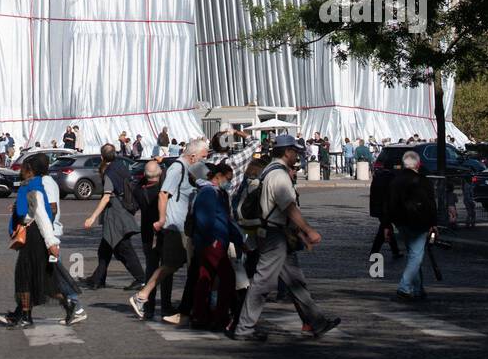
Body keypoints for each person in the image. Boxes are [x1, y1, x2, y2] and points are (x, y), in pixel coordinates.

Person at [230, 134, 340, 342]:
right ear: (287, 151)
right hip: (275, 236)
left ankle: (316, 322)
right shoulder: (278, 176)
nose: (297, 155)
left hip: (276, 233)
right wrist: (308, 230)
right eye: (295, 151)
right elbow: (288, 207)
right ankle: (243, 329)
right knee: (262, 284)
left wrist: (299, 234)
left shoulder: (270, 171)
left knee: (296, 282)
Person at [128, 136, 209, 319]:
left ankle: (185, 308)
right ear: (194, 156)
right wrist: (163, 219)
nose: (205, 158)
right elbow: (164, 194)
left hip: (184, 226)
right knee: (171, 265)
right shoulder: (177, 168)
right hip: (175, 226)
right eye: (204, 156)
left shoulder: (189, 167)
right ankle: (143, 296)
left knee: (185, 266)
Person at [0, 159, 59, 329]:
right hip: (34, 237)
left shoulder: (33, 189)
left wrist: (51, 242)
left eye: (23, 167)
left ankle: (26, 316)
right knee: (33, 276)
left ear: (29, 170)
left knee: (26, 276)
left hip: (33, 238)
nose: (21, 170)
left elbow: (41, 216)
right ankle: (22, 314)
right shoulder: (32, 186)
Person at [32, 153, 86, 325]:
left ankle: (76, 307)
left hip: (50, 235)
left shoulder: (47, 183)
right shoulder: (46, 182)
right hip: (48, 234)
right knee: (52, 273)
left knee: (56, 274)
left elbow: (52, 208)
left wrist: (46, 232)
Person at [84, 144, 145, 288]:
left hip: (116, 214)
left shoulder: (109, 173)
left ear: (102, 157)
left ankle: (141, 278)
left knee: (123, 248)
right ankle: (98, 279)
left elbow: (106, 197)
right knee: (105, 249)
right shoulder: (121, 166)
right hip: (123, 210)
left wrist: (92, 217)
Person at [191, 161, 243, 330]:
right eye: (225, 178)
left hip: (212, 241)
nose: (227, 182)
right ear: (216, 177)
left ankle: (201, 315)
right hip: (213, 242)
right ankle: (219, 316)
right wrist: (212, 239)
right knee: (227, 278)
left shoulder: (214, 192)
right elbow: (206, 219)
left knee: (206, 278)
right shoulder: (209, 192)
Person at [383, 151, 438, 301]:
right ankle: (405, 287)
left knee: (413, 254)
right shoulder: (423, 181)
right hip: (420, 222)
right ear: (418, 164)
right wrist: (434, 223)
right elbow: (431, 204)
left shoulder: (395, 181)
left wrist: (387, 225)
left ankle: (418, 288)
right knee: (416, 256)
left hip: (401, 222)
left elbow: (388, 205)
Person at [134, 159, 165, 318]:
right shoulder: (162, 188)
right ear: (159, 174)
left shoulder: (140, 190)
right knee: (166, 270)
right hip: (163, 232)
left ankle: (149, 307)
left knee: (151, 269)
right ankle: (165, 306)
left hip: (147, 233)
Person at [368, 162, 401, 259]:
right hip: (386, 207)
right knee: (385, 228)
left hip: (378, 207)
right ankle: (376, 252)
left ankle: (394, 250)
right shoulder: (391, 177)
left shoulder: (378, 177)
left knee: (385, 228)